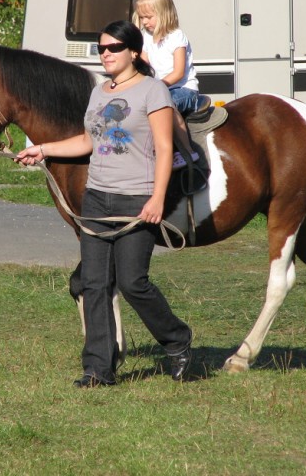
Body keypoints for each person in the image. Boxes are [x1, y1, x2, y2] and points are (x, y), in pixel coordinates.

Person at [15, 20, 193, 387]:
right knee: (94, 284)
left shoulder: (152, 91)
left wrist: (157, 198)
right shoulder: (99, 93)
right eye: (101, 48)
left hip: (136, 198)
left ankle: (177, 341)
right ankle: (98, 368)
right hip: (96, 197)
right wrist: (43, 149)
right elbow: (87, 141)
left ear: (132, 52)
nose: (106, 54)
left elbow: (164, 148)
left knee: (132, 282)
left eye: (113, 48)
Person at [133, 0, 200, 170]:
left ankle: (187, 151)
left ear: (163, 13)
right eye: (141, 17)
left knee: (165, 105)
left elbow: (178, 72)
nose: (144, 22)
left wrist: (157, 86)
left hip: (183, 89)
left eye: (148, 17)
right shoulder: (147, 37)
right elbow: (143, 63)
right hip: (159, 88)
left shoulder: (176, 37)